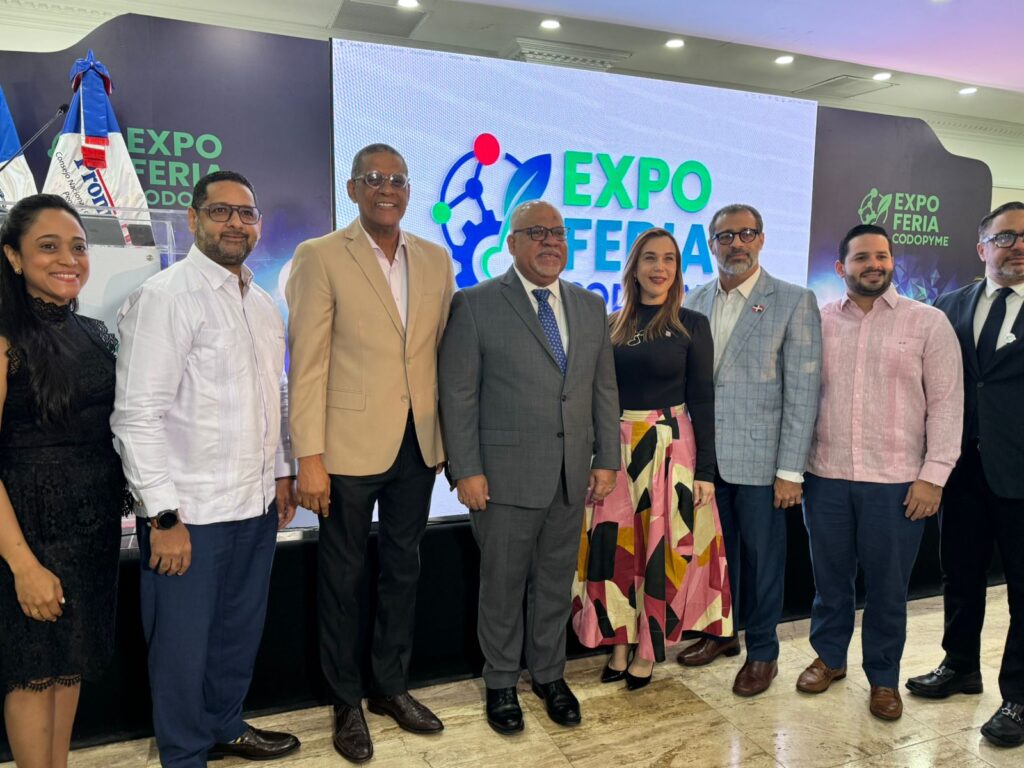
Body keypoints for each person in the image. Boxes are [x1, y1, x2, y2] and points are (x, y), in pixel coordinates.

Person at [111, 170, 299, 767]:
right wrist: (162, 516)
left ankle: (224, 726)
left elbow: (273, 399)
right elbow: (136, 416)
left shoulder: (262, 305)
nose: (235, 224)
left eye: (246, 213)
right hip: (188, 516)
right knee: (181, 648)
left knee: (237, 633)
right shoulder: (167, 298)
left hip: (254, 508)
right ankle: (184, 753)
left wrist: (281, 473)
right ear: (193, 219)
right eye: (221, 211)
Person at [286, 144, 453, 763]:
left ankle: (389, 687)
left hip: (418, 443)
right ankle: (344, 700)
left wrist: (449, 439)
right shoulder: (320, 255)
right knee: (342, 578)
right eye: (374, 178)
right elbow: (307, 364)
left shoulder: (435, 259)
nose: (388, 188)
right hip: (345, 448)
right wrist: (309, 456)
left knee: (404, 571)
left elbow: (441, 354)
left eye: (398, 180)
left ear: (409, 191)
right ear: (353, 188)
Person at [438, 199, 620, 734]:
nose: (550, 243)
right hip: (502, 479)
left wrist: (606, 458)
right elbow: (458, 395)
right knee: (502, 585)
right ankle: (500, 681)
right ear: (512, 243)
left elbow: (602, 389)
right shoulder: (475, 303)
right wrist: (465, 469)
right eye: (536, 233)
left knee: (554, 582)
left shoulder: (590, 305)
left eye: (557, 233)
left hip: (570, 475)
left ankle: (548, 674)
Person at [797, 223, 963, 721]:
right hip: (825, 475)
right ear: (840, 267)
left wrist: (933, 476)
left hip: (897, 483)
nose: (874, 264)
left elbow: (947, 404)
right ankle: (829, 657)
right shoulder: (818, 322)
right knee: (830, 581)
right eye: (862, 257)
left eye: (882, 256)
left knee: (889, 589)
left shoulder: (928, 322)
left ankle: (883, 677)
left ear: (892, 262)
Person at [571, 227, 732, 688]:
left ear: (677, 270)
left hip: (670, 449)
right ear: (634, 267)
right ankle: (619, 643)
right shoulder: (609, 324)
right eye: (650, 258)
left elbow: (702, 400)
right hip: (615, 448)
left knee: (660, 552)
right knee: (617, 551)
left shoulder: (691, 324)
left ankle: (647, 647)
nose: (659, 267)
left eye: (669, 259)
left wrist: (706, 471)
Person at [0, 194, 126, 767]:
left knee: (69, 665)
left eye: (78, 246)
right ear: (13, 257)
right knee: (33, 673)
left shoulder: (95, 332)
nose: (68, 259)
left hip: (90, 532)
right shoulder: (5, 338)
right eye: (48, 246)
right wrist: (23, 566)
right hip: (27, 531)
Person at [679, 203, 821, 697]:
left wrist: (791, 471)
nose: (736, 244)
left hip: (763, 465)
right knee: (716, 556)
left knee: (763, 562)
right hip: (704, 460)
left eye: (746, 234)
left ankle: (763, 651)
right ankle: (722, 634)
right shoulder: (694, 298)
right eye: (725, 236)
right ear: (710, 243)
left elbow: (802, 392)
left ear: (761, 239)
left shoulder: (793, 300)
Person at [906, 202, 1024, 747]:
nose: (1017, 246)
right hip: (960, 470)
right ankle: (959, 665)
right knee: (960, 572)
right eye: (1005, 238)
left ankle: (1019, 697)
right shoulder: (948, 307)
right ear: (982, 249)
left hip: (1020, 471)